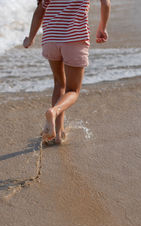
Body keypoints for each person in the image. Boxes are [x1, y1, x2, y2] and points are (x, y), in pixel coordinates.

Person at [23, 0, 111, 144]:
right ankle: (54, 111)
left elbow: (40, 11)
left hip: (51, 39)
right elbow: (105, 3)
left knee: (59, 83)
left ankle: (57, 133)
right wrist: (102, 27)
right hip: (74, 40)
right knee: (73, 90)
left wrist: (30, 38)